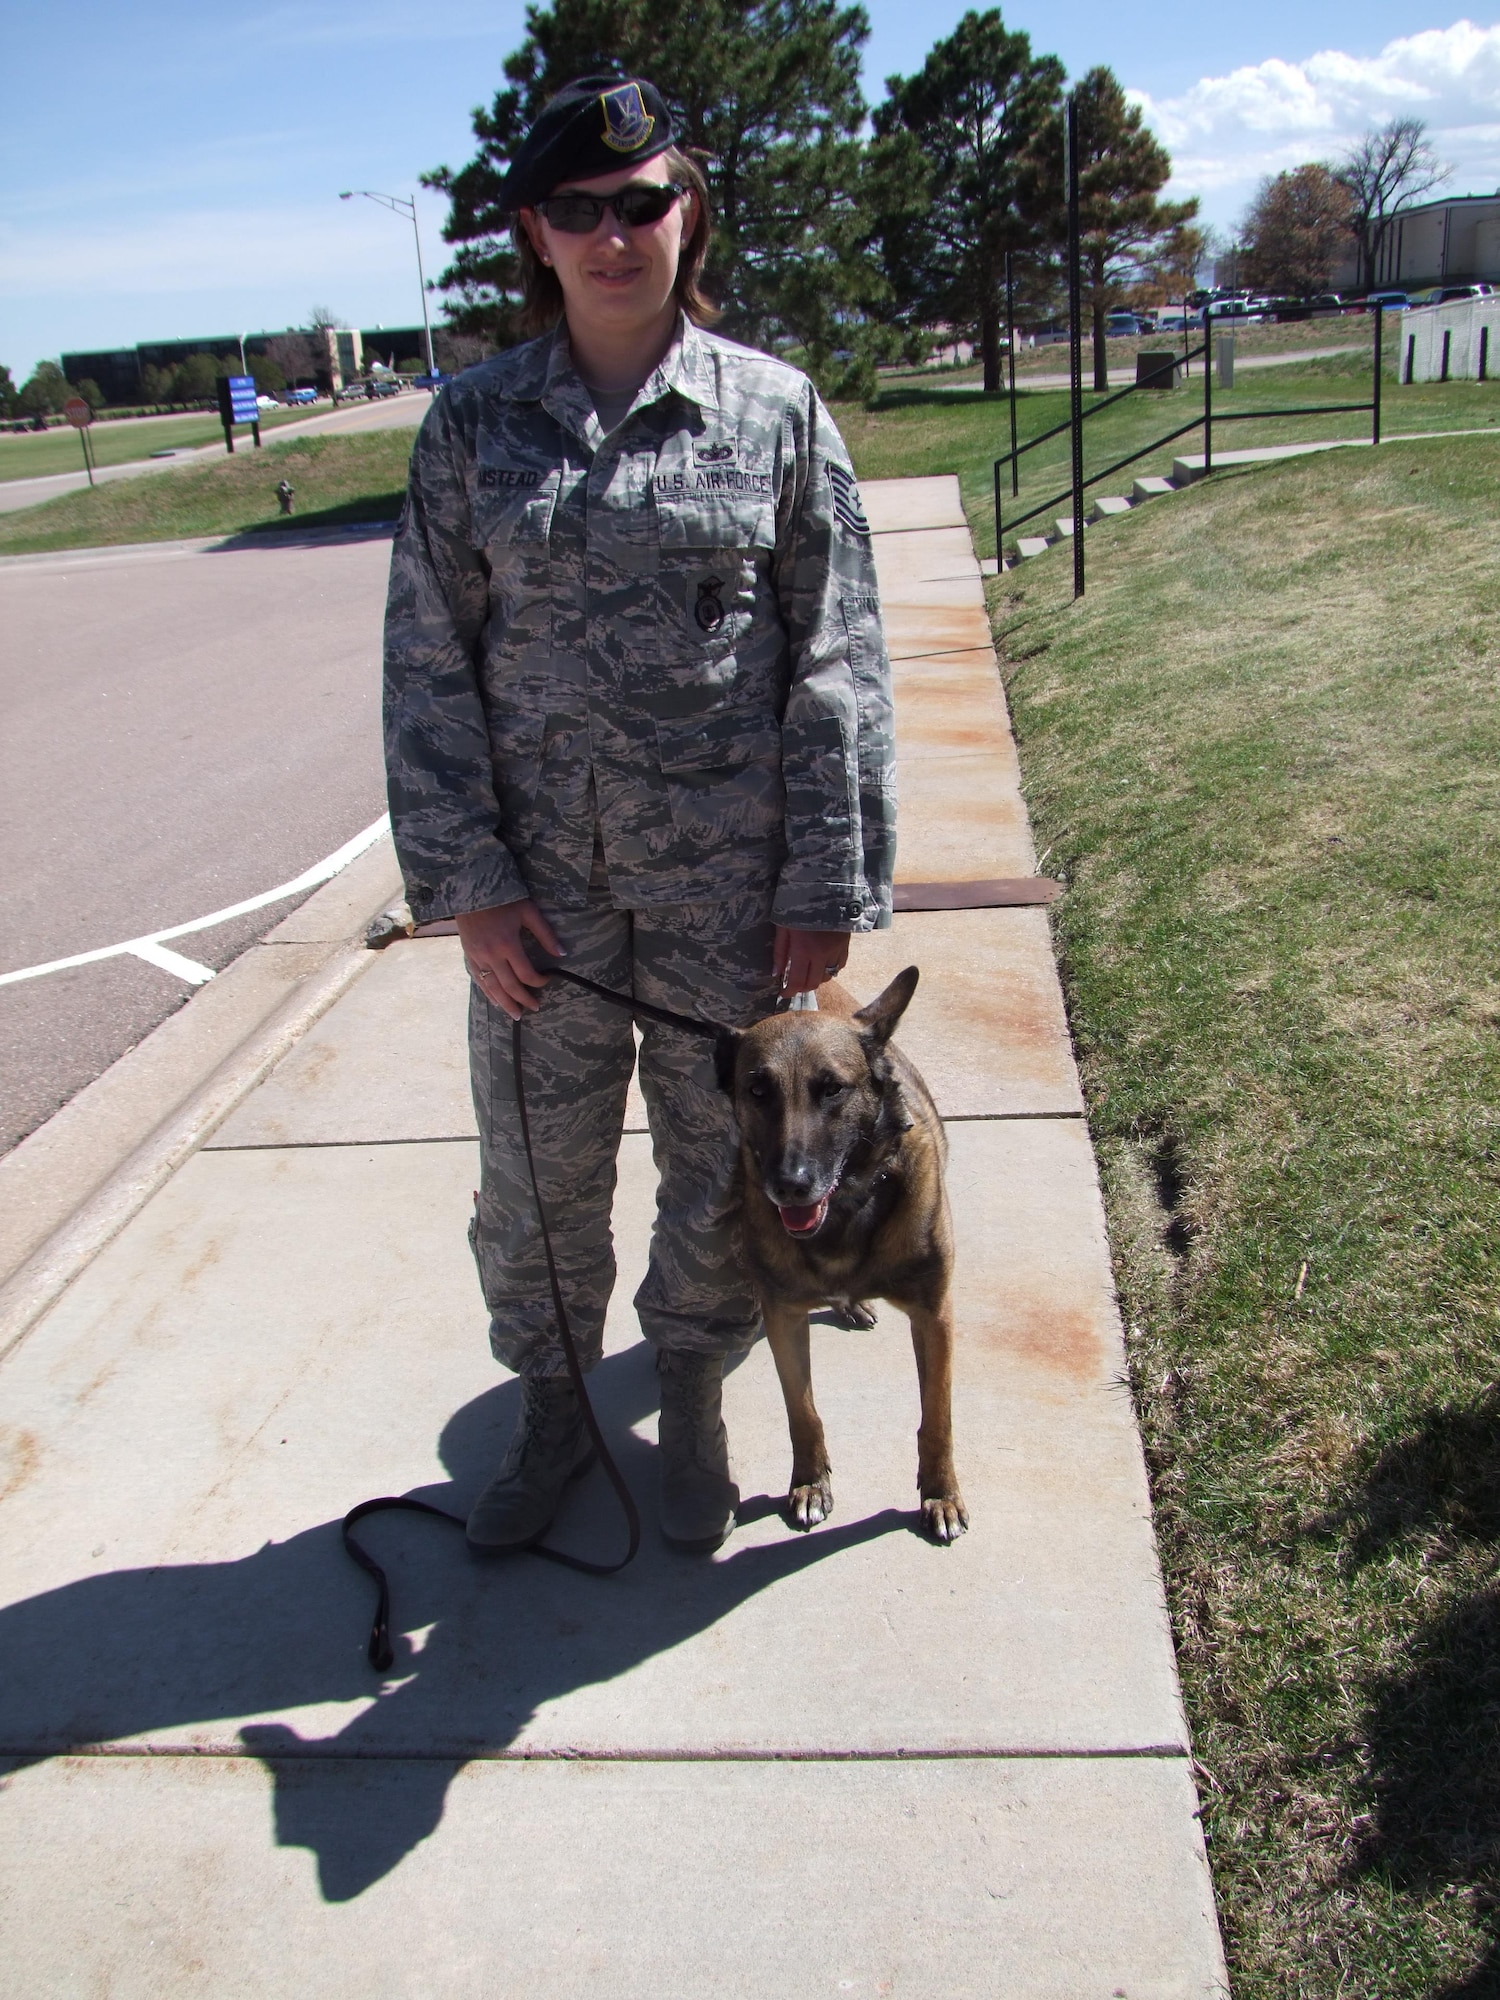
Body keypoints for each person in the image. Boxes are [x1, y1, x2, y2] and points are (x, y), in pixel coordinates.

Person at [382, 73, 894, 1558]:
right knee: (536, 1177)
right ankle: (552, 1416)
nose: (616, 234)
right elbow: (428, 668)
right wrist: (470, 884)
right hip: (537, 912)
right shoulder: (471, 430)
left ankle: (696, 1397)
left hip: (724, 904)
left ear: (688, 212)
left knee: (716, 1168)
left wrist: (825, 880)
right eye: (578, 211)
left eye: (644, 202)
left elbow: (838, 659)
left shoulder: (776, 413)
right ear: (536, 235)